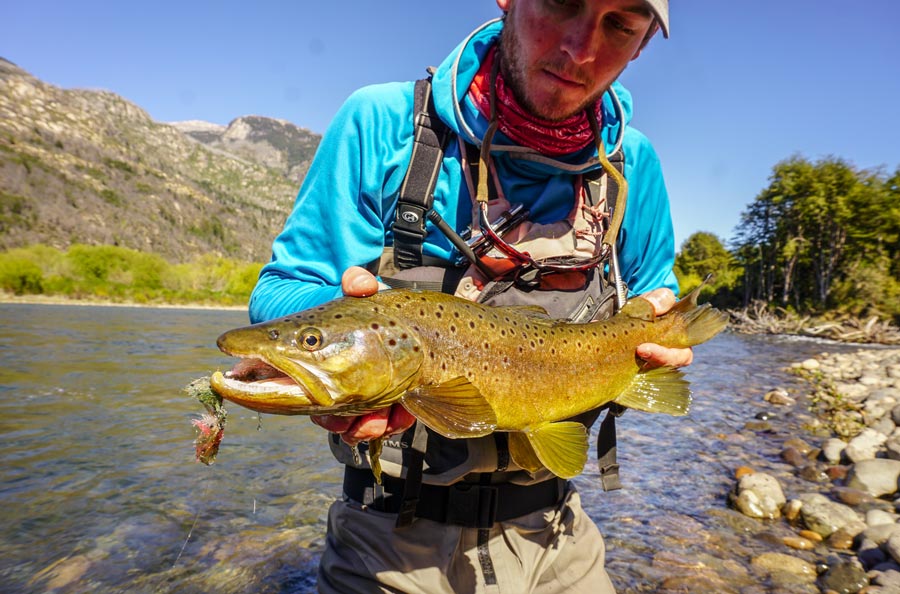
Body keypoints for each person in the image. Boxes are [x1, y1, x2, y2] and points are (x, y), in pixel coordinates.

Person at [249, 1, 691, 592]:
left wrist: (668, 339)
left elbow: (659, 298)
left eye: (620, 25)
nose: (581, 49)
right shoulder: (381, 122)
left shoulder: (631, 163)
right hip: (387, 541)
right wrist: (350, 315)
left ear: (641, 46)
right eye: (563, 2)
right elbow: (281, 292)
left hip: (558, 533)